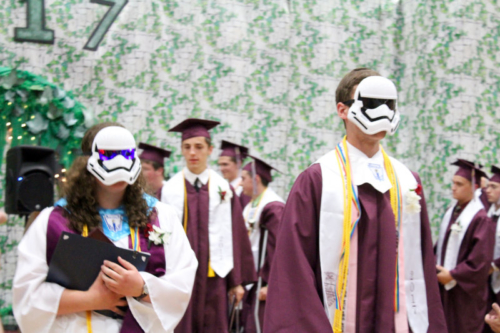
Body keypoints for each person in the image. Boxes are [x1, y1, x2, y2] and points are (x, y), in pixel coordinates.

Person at [264, 68, 447, 332]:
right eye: (371, 103)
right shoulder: (317, 180)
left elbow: (422, 273)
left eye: (388, 104)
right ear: (342, 110)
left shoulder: (407, 182)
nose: (381, 112)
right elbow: (294, 272)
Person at [13, 123, 198, 333]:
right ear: (87, 162)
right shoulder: (53, 222)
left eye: (125, 154)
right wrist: (90, 299)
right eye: (108, 155)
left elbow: (181, 284)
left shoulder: (162, 217)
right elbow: (27, 297)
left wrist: (141, 287)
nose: (118, 164)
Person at [161, 118, 256, 333]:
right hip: (179, 276)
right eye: (187, 147)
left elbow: (236, 235)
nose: (193, 152)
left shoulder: (222, 188)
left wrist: (236, 281)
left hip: (215, 277)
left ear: (210, 149)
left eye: (199, 147)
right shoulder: (170, 189)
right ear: (181, 150)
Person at [435, 159, 495, 333]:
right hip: (444, 286)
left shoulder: (480, 219)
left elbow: (480, 262)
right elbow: (440, 245)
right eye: (453, 183)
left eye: (459, 184)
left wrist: (453, 275)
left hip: (464, 294)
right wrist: (435, 268)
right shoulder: (452, 211)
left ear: (474, 187)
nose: (453, 187)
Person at [239, 156, 285, 333]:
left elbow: (277, 249)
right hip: (252, 278)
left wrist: (270, 283)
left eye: (244, 178)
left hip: (264, 282)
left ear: (256, 178)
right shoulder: (250, 205)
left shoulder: (273, 207)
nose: (240, 183)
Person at [486, 165, 500, 333]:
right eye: (488, 186)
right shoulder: (488, 213)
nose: (488, 190)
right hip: (488, 280)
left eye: (494, 187)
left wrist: (494, 266)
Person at [218, 140, 251, 208]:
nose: (221, 169)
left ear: (239, 163)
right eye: (220, 165)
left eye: (225, 164)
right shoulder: (224, 187)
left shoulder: (243, 190)